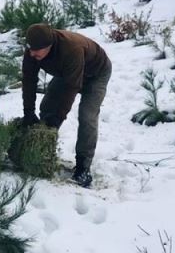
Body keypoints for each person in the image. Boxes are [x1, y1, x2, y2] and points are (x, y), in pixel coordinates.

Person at [21, 23, 112, 188]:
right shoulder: (32, 51)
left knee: (87, 115)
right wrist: (28, 111)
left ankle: (83, 166)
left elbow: (72, 87)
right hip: (67, 72)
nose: (32, 53)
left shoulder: (71, 49)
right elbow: (28, 80)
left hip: (96, 73)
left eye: (36, 50)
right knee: (48, 105)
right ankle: (42, 149)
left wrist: (59, 117)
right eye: (30, 49)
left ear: (49, 46)